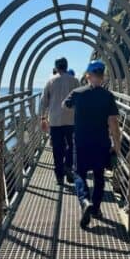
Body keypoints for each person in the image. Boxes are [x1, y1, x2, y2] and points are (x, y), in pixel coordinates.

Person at [62, 60, 121, 228]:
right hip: (101, 142)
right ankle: (95, 209)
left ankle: (85, 200)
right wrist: (116, 144)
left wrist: (76, 107)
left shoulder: (78, 93)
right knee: (99, 176)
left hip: (81, 141)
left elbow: (65, 105)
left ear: (88, 76)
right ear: (102, 77)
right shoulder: (108, 96)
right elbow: (113, 122)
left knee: (79, 173)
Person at [40, 57, 80, 185]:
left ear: (56, 67)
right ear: (66, 67)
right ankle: (68, 166)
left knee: (57, 149)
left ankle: (59, 176)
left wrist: (43, 118)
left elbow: (43, 101)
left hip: (55, 120)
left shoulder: (50, 81)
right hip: (71, 120)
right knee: (71, 146)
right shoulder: (75, 81)